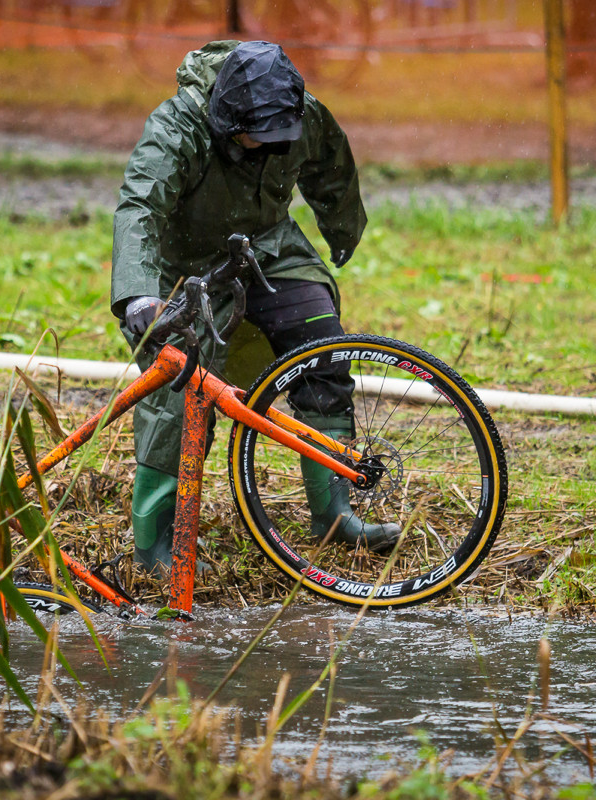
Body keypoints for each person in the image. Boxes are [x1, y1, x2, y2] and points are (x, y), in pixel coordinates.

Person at [111, 40, 399, 577]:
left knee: (322, 345)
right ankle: (155, 546)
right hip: (187, 267)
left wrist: (342, 226)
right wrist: (138, 294)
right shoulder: (178, 127)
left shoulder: (301, 113)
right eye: (254, 140)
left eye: (278, 141)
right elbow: (139, 204)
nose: (268, 149)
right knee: (175, 394)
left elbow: (331, 164)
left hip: (267, 245)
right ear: (225, 120)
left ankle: (336, 513)